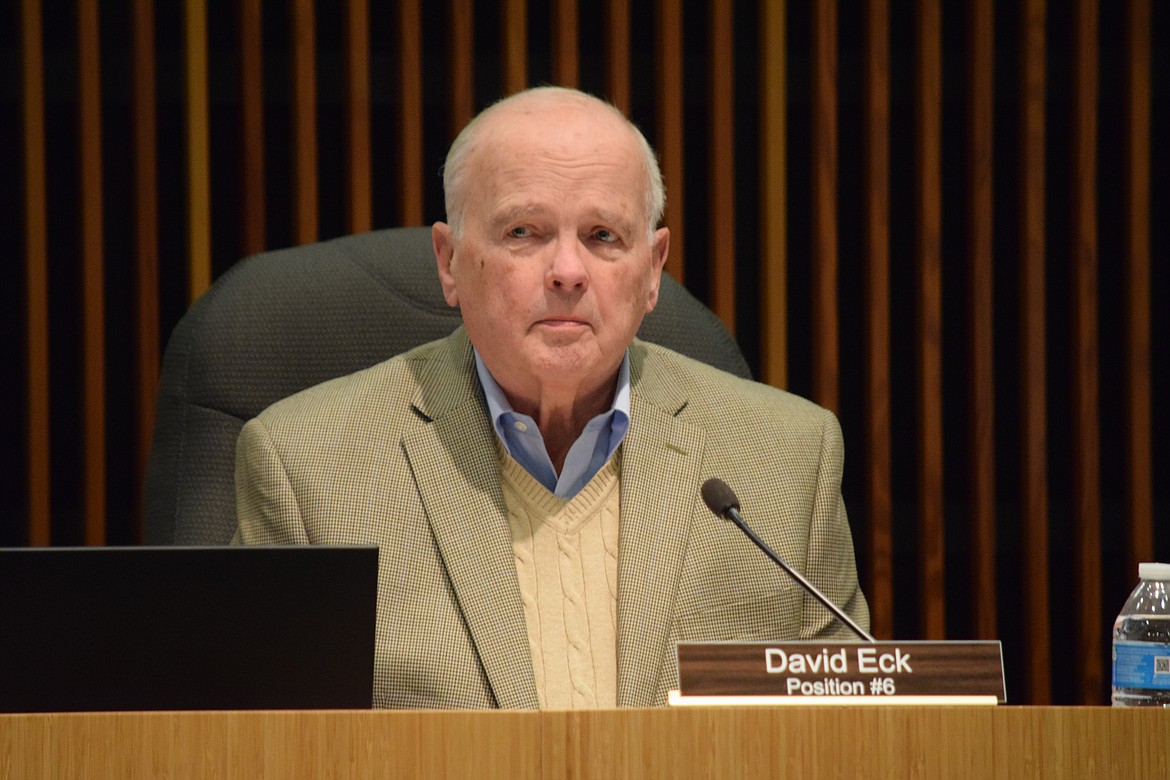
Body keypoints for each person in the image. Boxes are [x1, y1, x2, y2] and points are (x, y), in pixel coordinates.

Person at [234, 86, 868, 709]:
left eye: (602, 236)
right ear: (449, 262)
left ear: (652, 270)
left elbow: (850, 739)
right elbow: (255, 746)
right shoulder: (307, 468)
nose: (567, 270)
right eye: (523, 232)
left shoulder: (785, 461)